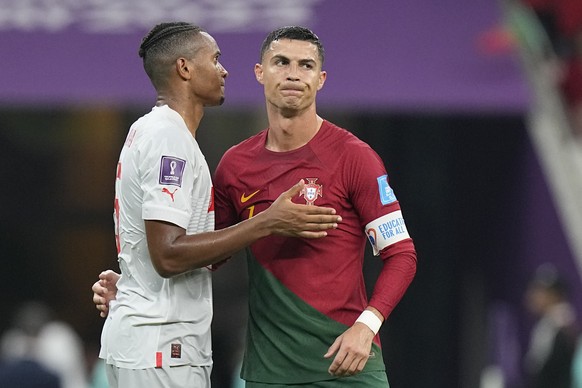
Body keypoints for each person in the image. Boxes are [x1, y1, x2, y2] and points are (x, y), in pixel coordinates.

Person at [94, 25, 417, 387]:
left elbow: (401, 254)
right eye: (281, 62)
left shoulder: (355, 158)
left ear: (321, 79)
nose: (294, 73)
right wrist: (141, 282)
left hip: (347, 362)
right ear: (259, 72)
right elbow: (206, 252)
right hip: (269, 372)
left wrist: (367, 324)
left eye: (306, 65)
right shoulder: (236, 165)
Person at [523, 263, 579, 388]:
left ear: (556, 295)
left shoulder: (564, 329)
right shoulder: (546, 327)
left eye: (540, 291)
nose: (533, 296)